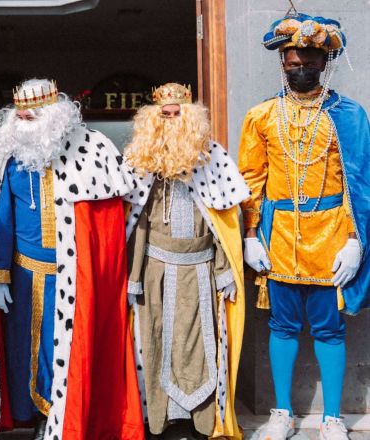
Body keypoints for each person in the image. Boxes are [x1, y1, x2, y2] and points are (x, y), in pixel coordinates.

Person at [0, 78, 144, 440]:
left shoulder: (91, 149)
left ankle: (68, 415)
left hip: (77, 276)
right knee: (25, 351)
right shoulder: (8, 155)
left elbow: (112, 219)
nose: (24, 125)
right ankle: (36, 415)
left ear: (53, 115)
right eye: (18, 117)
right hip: (23, 274)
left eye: (31, 117)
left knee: (71, 349)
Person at [239, 13, 370, 440]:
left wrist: (356, 241)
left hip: (331, 232)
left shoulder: (349, 115)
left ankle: (332, 418)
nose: (301, 70)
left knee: (330, 328)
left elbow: (361, 180)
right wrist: (248, 234)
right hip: (278, 236)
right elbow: (250, 179)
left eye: (309, 63)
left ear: (324, 62)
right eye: (294, 64)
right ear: (283, 63)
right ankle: (282, 413)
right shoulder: (260, 116)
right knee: (281, 325)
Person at [122, 83, 249, 439]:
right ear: (153, 118)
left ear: (192, 117)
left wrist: (225, 269)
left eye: (179, 114)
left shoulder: (212, 158)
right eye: (165, 114)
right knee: (157, 340)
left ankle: (202, 420)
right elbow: (136, 222)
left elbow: (223, 219)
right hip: (156, 271)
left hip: (201, 269)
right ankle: (160, 419)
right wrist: (132, 276)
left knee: (199, 344)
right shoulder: (143, 159)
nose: (172, 120)